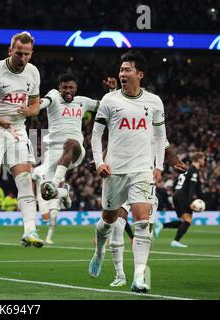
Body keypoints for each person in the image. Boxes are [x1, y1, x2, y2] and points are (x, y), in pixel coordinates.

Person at [90, 50, 167, 293]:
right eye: (121, 70)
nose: (122, 74)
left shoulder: (154, 101)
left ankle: (139, 277)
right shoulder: (109, 100)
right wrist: (99, 162)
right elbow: (95, 135)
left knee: (142, 223)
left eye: (127, 70)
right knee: (108, 222)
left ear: (140, 74)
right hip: (114, 171)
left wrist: (159, 166)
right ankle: (99, 250)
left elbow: (159, 136)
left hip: (141, 170)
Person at [0, 31, 42, 252]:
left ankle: (30, 230)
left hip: (18, 130)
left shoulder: (32, 73)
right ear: (10, 50)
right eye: (19, 53)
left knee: (24, 179)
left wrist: (29, 111)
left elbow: (35, 105)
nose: (22, 58)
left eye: (26, 54)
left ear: (31, 54)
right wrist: (0, 121)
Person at [107, 142, 187, 287]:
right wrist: (100, 160)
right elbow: (114, 140)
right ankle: (119, 274)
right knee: (118, 225)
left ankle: (139, 277)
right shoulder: (125, 122)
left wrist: (176, 163)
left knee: (145, 231)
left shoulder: (154, 127)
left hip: (145, 183)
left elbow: (166, 149)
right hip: (122, 179)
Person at [40, 74, 112, 207]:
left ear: (76, 88)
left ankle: (55, 183)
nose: (68, 90)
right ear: (59, 88)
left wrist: (111, 92)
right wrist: (35, 105)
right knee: (45, 194)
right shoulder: (54, 97)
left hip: (75, 150)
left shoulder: (82, 101)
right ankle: (63, 193)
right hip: (53, 152)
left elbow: (106, 106)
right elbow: (44, 102)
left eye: (71, 87)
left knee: (71, 142)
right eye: (65, 87)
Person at [161, 152, 205, 248]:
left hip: (177, 195)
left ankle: (162, 225)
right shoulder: (193, 171)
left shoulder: (186, 170)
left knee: (183, 221)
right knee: (188, 220)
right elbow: (192, 189)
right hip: (183, 197)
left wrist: (175, 197)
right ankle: (175, 241)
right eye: (203, 159)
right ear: (199, 159)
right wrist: (190, 202)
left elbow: (176, 183)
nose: (204, 161)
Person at [32, 164, 59, 244]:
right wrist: (33, 194)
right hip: (42, 197)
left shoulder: (57, 169)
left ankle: (48, 238)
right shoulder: (38, 170)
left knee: (54, 215)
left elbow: (61, 181)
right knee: (46, 219)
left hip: (54, 196)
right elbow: (33, 181)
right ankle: (34, 233)